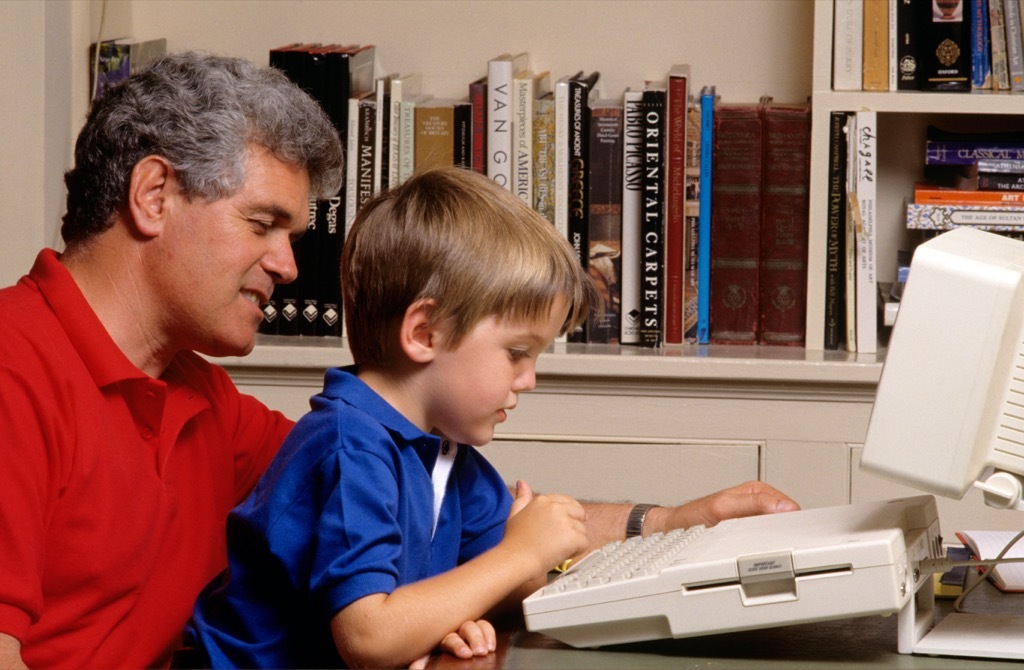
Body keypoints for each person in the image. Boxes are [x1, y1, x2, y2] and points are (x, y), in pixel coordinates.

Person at [185, 167, 800, 669]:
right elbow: (369, 636)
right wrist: (517, 556)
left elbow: (497, 575)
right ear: (424, 332)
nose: (528, 379)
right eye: (516, 353)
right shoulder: (350, 449)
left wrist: (476, 593)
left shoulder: (441, 452)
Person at [0, 52, 345, 670]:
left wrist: (560, 536)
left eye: (290, 240)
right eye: (263, 224)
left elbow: (383, 484)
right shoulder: (12, 369)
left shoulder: (207, 403)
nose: (287, 267)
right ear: (154, 195)